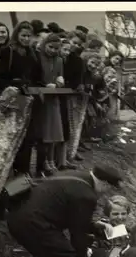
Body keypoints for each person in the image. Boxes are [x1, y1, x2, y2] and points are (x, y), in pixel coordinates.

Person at [0, 21, 41, 176]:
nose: (26, 39)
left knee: (27, 138)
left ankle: (23, 172)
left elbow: (36, 76)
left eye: (29, 36)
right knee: (10, 136)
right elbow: (0, 76)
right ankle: (8, 172)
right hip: (13, 98)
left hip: (28, 98)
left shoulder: (33, 53)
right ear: (17, 35)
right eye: (23, 35)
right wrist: (13, 86)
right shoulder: (7, 52)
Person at [32, 33, 65, 177]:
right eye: (50, 47)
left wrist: (60, 81)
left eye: (56, 48)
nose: (52, 50)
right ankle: (44, 161)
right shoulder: (38, 57)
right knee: (44, 133)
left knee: (54, 132)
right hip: (41, 97)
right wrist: (45, 85)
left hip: (53, 98)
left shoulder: (59, 60)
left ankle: (51, 160)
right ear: (45, 44)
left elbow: (60, 75)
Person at [63, 30, 87, 166]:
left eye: (79, 44)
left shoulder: (78, 60)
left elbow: (79, 78)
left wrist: (79, 85)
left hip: (73, 94)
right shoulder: (64, 57)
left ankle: (70, 152)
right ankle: (65, 155)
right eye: (74, 42)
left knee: (72, 126)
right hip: (64, 93)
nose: (76, 46)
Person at [56, 38, 76, 170]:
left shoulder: (65, 62)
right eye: (65, 49)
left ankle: (63, 161)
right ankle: (58, 161)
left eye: (69, 50)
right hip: (56, 97)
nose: (67, 52)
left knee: (65, 129)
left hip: (64, 97)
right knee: (57, 130)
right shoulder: (56, 62)